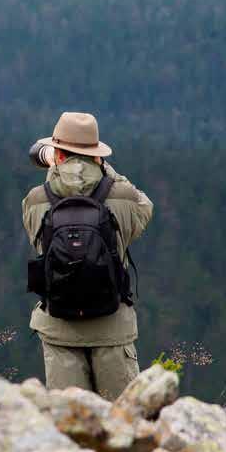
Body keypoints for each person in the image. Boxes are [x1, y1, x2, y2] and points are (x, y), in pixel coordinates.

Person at [22, 111, 153, 399]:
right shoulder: (123, 196)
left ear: (56, 154)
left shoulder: (35, 200)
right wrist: (106, 172)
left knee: (72, 425)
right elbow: (146, 207)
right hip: (112, 328)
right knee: (121, 424)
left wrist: (56, 171)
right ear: (97, 155)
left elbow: (39, 242)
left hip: (59, 330)